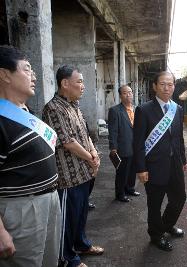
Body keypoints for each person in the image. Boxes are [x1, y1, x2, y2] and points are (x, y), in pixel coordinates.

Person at [0, 45, 61, 266]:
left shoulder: (27, 112)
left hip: (49, 201)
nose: (34, 75)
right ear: (4, 74)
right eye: (27, 69)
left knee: (48, 261)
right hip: (22, 210)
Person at [42, 65, 104, 267]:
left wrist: (94, 153)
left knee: (81, 214)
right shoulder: (53, 108)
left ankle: (82, 244)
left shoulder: (74, 105)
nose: (83, 86)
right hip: (68, 177)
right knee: (67, 219)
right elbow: (67, 142)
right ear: (65, 83)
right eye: (79, 82)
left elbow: (85, 133)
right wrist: (90, 158)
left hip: (84, 172)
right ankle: (67, 258)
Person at [133, 71, 187, 251]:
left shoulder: (177, 109)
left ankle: (166, 225)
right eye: (163, 84)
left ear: (174, 86)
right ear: (155, 86)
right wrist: (141, 168)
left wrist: (183, 159)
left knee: (179, 198)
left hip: (174, 164)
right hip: (154, 166)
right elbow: (138, 141)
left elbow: (179, 138)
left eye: (170, 84)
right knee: (154, 204)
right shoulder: (143, 110)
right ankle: (156, 235)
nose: (167, 87)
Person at [108, 85, 140, 202]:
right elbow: (113, 130)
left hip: (135, 146)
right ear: (120, 95)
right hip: (123, 146)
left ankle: (130, 189)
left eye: (130, 92)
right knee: (122, 171)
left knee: (132, 170)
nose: (129, 95)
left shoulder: (137, 109)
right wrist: (113, 147)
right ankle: (120, 194)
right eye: (125, 93)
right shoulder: (115, 111)